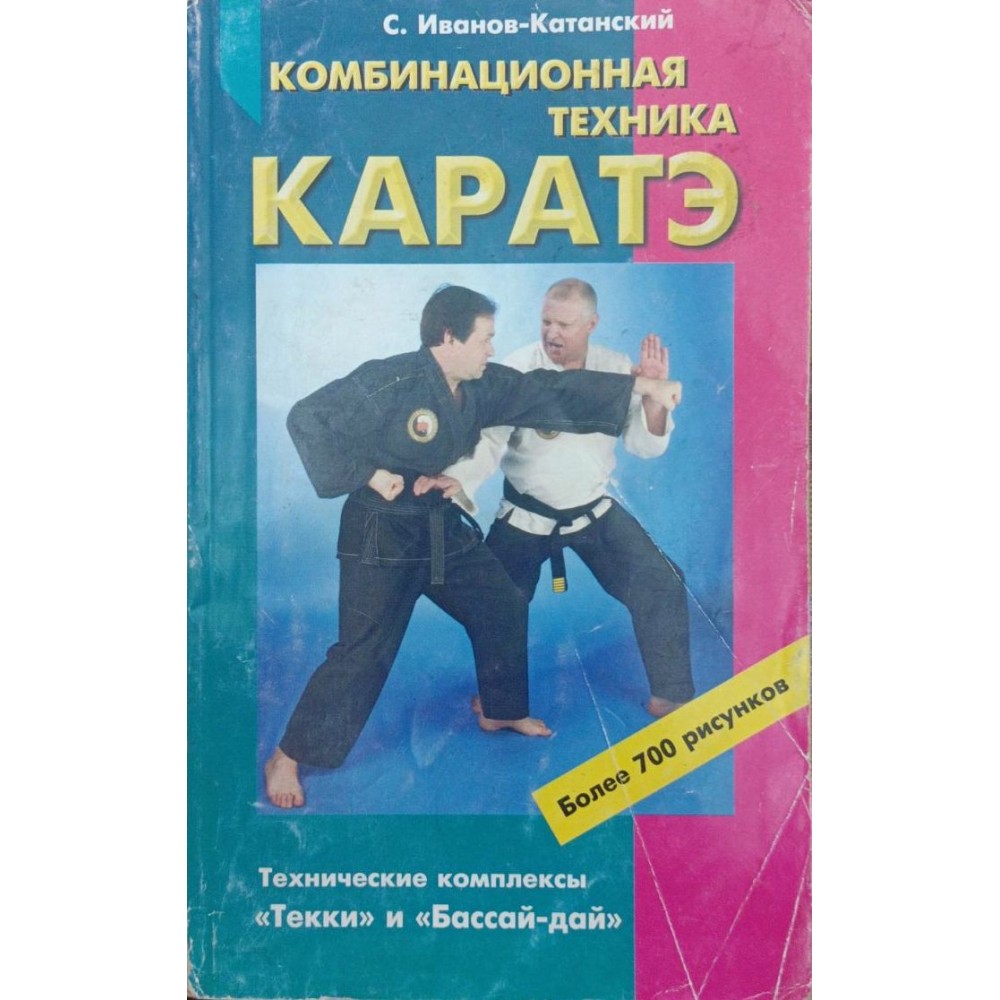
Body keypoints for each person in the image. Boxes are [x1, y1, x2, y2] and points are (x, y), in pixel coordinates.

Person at [265, 284, 682, 808]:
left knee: (502, 603)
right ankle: (287, 756)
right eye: (484, 338)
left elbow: (547, 390)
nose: (491, 348)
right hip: (381, 534)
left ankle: (502, 710)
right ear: (449, 337)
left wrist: (644, 386)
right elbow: (307, 418)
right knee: (363, 650)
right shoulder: (390, 378)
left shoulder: (481, 385)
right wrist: (367, 474)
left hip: (439, 522)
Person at [443, 278, 694, 720]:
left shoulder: (616, 368)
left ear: (591, 324)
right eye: (546, 322)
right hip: (525, 515)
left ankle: (670, 693)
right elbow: (488, 444)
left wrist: (653, 398)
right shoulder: (518, 369)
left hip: (591, 510)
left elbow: (644, 447)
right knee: (495, 604)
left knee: (662, 582)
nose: (552, 333)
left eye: (564, 324)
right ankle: (499, 704)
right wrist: (455, 480)